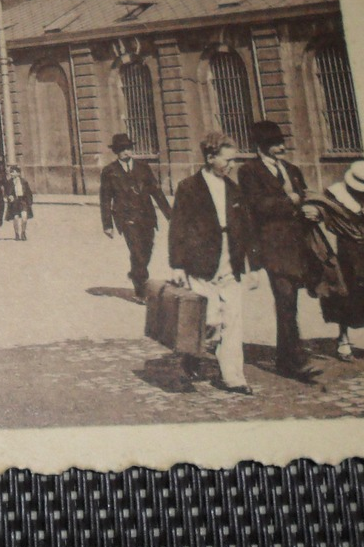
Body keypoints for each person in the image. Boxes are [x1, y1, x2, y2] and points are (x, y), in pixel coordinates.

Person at [168, 132, 257, 395]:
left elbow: (246, 227)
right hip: (201, 264)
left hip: (231, 263)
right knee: (207, 321)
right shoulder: (189, 187)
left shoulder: (233, 188)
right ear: (210, 157)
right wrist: (177, 265)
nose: (232, 165)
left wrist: (252, 264)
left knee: (233, 321)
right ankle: (189, 360)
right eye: (227, 160)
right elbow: (178, 228)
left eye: (234, 160)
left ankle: (233, 377)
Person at [236, 119, 321, 379]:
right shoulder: (249, 171)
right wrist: (291, 201)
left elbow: (306, 195)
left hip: (299, 246)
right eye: (274, 144)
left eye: (281, 142)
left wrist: (314, 210)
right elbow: (258, 206)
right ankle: (294, 361)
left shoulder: (293, 170)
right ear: (260, 146)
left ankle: (286, 359)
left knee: (291, 302)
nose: (281, 148)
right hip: (272, 247)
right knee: (285, 301)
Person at [307, 161, 364, 359]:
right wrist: (317, 213)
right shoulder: (335, 195)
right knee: (345, 294)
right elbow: (322, 209)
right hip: (346, 253)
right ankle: (343, 338)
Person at [99, 132, 172, 298]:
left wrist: (170, 215)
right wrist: (107, 225)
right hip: (127, 219)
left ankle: (135, 273)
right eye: (122, 149)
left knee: (147, 250)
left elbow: (157, 192)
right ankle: (141, 291)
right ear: (116, 151)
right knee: (137, 252)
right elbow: (105, 199)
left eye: (128, 148)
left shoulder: (143, 168)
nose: (126, 152)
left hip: (147, 218)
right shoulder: (109, 171)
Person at [5, 162, 34, 240]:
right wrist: (9, 197)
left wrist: (29, 203)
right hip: (14, 202)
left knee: (24, 218)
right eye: (11, 172)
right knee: (16, 218)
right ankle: (17, 234)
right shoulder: (9, 182)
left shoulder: (24, 182)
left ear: (18, 173)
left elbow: (28, 192)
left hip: (23, 201)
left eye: (13, 172)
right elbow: (6, 193)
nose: (11, 174)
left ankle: (23, 233)